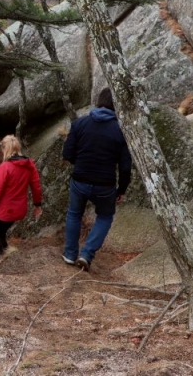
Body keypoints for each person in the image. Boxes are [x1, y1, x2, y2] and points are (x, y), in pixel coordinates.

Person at [62, 87, 132, 271]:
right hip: (105, 184)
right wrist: (122, 190)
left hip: (80, 179)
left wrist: (81, 163)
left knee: (74, 213)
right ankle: (86, 254)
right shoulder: (121, 131)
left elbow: (67, 153)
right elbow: (125, 166)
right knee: (105, 217)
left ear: (98, 101)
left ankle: (70, 254)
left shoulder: (80, 124)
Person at [0, 135, 43, 265]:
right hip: (19, 210)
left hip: (5, 210)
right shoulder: (29, 164)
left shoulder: (5, 167)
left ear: (5, 148)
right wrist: (37, 205)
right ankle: (3, 249)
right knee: (1, 230)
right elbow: (36, 187)